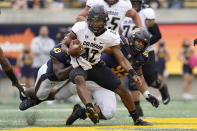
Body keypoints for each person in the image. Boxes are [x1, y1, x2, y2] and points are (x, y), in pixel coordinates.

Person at [61, 5, 158, 125]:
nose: (139, 45)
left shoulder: (137, 55)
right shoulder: (117, 42)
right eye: (137, 41)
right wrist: (71, 50)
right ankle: (87, 105)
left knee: (109, 111)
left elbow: (136, 74)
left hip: (100, 76)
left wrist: (147, 94)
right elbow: (68, 44)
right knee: (56, 92)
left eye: (142, 43)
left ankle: (82, 112)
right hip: (82, 68)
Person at [120, 0, 170, 117]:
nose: (133, 5)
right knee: (133, 77)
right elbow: (119, 32)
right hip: (129, 51)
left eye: (136, 2)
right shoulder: (120, 13)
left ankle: (162, 87)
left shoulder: (145, 13)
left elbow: (157, 34)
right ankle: (137, 108)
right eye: (132, 2)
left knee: (151, 81)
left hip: (146, 52)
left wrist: (143, 45)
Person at [76, 0, 142, 33]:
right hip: (95, 36)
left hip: (112, 39)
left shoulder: (123, 4)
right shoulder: (96, 2)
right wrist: (93, 25)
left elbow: (135, 15)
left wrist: (141, 29)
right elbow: (79, 17)